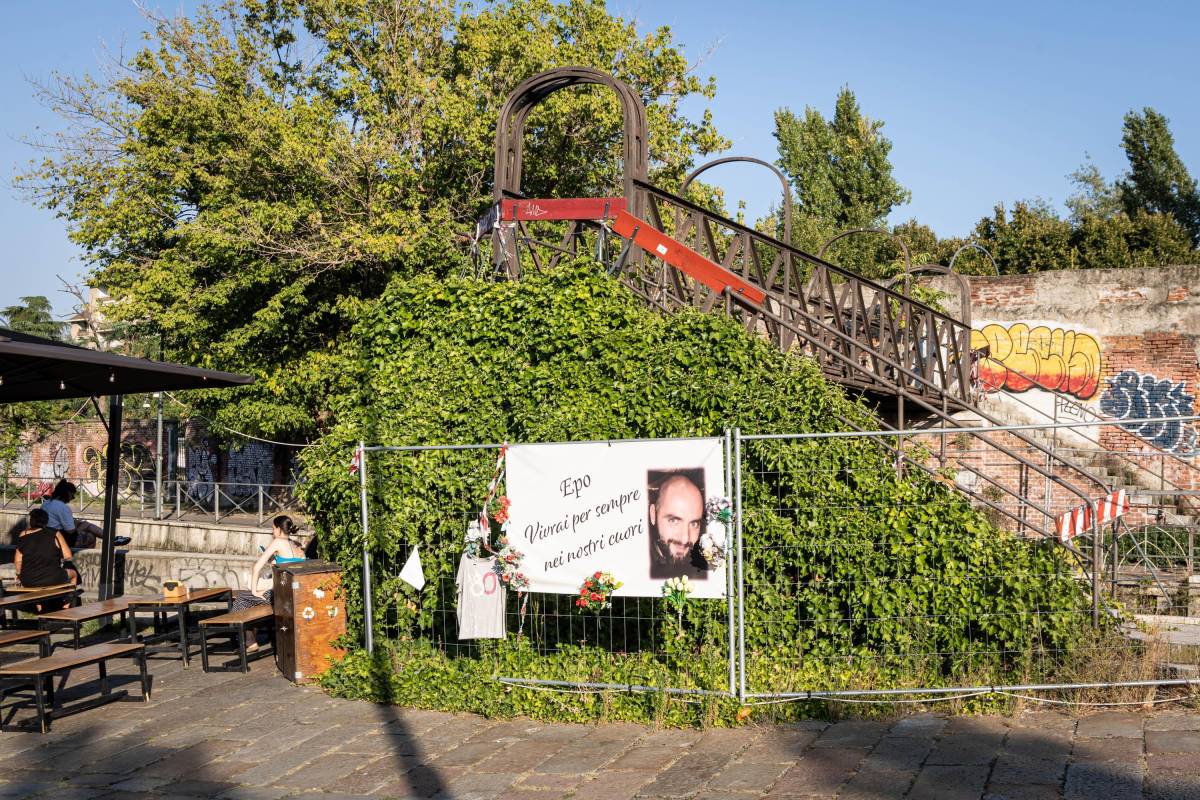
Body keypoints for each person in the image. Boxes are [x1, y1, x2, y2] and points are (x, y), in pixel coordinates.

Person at [231, 515, 306, 650]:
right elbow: (289, 567)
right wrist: (275, 562)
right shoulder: (296, 545)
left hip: (279, 596)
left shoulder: (278, 542)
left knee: (242, 598)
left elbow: (256, 567)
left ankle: (249, 639)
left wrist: (254, 591)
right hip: (295, 594)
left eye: (273, 529)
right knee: (252, 602)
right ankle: (251, 637)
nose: (272, 532)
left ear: (278, 529)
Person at [648, 473, 708, 580]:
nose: (685, 539)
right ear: (653, 515)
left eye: (694, 524)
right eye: (674, 521)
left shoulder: (704, 570)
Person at [41, 480, 131, 549]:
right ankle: (112, 540)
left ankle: (112, 539)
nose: (73, 497)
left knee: (83, 524)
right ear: (68, 493)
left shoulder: (46, 503)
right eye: (73, 494)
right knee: (90, 536)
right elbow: (71, 531)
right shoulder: (63, 507)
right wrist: (80, 526)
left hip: (47, 536)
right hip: (61, 539)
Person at [14, 508, 78, 598]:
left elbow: (18, 562)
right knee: (74, 574)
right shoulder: (55, 533)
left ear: (32, 520)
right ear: (46, 521)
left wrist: (19, 575)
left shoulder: (23, 534)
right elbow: (68, 556)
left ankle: (39, 608)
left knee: (36, 586)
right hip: (52, 578)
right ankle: (67, 606)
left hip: (28, 580)